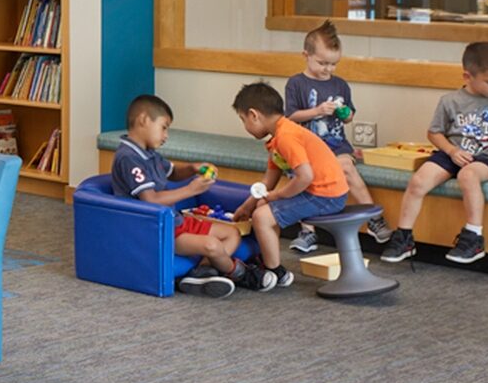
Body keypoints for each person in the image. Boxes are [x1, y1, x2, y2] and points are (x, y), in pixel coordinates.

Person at [381, 41, 488, 266]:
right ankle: (403, 236)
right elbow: (435, 133)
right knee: (418, 181)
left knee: (468, 176)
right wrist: (452, 151)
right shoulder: (450, 101)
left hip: (487, 158)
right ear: (467, 77)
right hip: (452, 153)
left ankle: (474, 236)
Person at [111, 94, 244, 298]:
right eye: (164, 127)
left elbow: (172, 172)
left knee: (232, 233)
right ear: (144, 120)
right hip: (155, 229)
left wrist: (192, 168)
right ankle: (239, 273)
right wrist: (192, 189)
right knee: (213, 245)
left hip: (175, 221)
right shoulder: (128, 158)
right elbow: (150, 200)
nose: (166, 136)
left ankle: (201, 273)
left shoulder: (150, 154)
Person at [283, 21, 392, 254]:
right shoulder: (296, 83)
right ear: (306, 55)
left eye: (333, 64)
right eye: (322, 63)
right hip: (307, 147)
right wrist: (317, 111)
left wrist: (346, 114)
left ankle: (374, 219)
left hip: (336, 145)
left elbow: (349, 116)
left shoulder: (340, 85)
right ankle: (307, 231)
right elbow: (290, 116)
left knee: (348, 170)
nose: (328, 69)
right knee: (307, 177)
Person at [229, 82, 350, 291]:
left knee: (262, 217)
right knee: (258, 211)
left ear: (254, 115)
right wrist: (248, 205)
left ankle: (276, 271)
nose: (245, 126)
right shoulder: (277, 138)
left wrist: (275, 196)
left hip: (326, 195)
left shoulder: (286, 137)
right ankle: (268, 260)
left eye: (243, 120)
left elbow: (304, 177)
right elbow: (268, 181)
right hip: (319, 192)